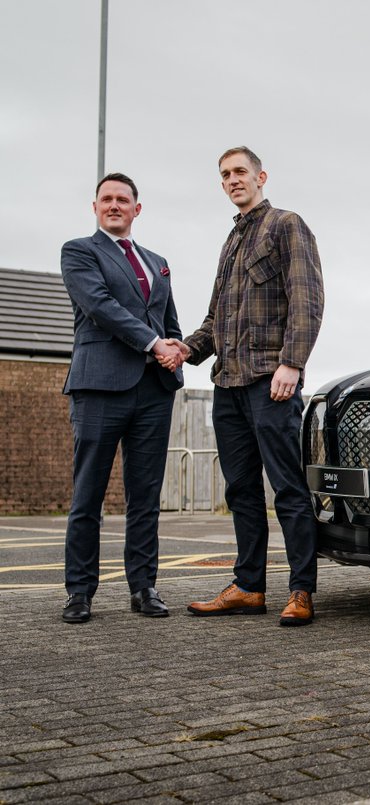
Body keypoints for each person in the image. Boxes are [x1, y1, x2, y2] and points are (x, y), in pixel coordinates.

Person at [170, 146, 324, 627]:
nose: (233, 179)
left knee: (288, 488)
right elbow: (215, 320)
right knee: (240, 490)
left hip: (270, 383)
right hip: (229, 386)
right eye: (225, 175)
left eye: (240, 171)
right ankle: (249, 587)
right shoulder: (231, 241)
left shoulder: (286, 225)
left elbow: (307, 299)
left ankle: (301, 590)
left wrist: (292, 363)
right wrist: (185, 349)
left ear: (261, 176)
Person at [59, 172, 186, 624]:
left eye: (123, 199)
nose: (114, 205)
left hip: (153, 391)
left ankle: (144, 587)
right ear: (95, 208)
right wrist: (155, 344)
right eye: (106, 199)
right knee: (88, 495)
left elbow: (167, 320)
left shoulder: (158, 262)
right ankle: (79, 592)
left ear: (137, 208)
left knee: (145, 497)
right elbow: (100, 307)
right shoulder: (79, 251)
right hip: (99, 386)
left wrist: (177, 348)